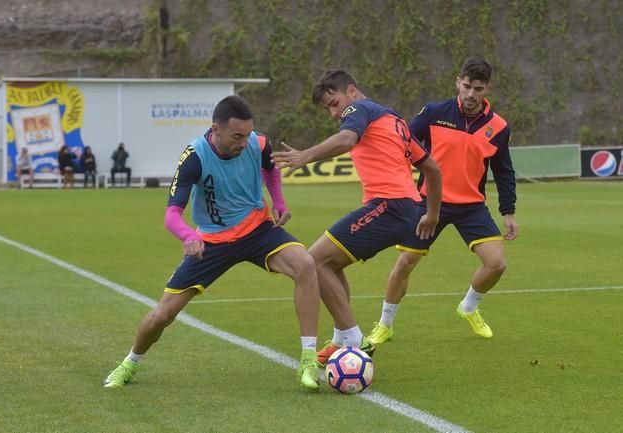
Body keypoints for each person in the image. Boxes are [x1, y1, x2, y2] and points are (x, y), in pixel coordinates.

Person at [103, 95, 322, 390]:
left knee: (306, 264)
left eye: (247, 134)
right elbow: (171, 215)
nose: (244, 142)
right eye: (237, 136)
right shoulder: (195, 156)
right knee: (162, 315)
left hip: (258, 230)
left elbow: (269, 169)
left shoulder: (258, 143)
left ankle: (308, 358)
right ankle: (129, 363)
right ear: (215, 129)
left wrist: (279, 202)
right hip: (211, 242)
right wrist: (189, 236)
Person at [273, 70, 442, 366]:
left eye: (334, 103)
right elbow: (433, 168)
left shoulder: (358, 108)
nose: (333, 112)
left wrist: (306, 156)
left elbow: (347, 139)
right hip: (406, 209)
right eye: (328, 108)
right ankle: (341, 339)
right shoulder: (394, 120)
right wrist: (431, 213)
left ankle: (355, 341)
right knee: (331, 263)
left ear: (351, 91)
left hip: (389, 205)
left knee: (312, 261)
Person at [366, 57, 518, 345]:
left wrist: (508, 211)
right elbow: (403, 141)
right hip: (428, 202)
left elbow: (503, 170)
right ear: (457, 83)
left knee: (496, 264)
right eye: (466, 86)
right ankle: (385, 324)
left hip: (472, 206)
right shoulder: (434, 113)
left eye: (478, 88)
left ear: (488, 89)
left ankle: (469, 307)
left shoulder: (498, 127)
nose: (471, 94)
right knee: (405, 263)